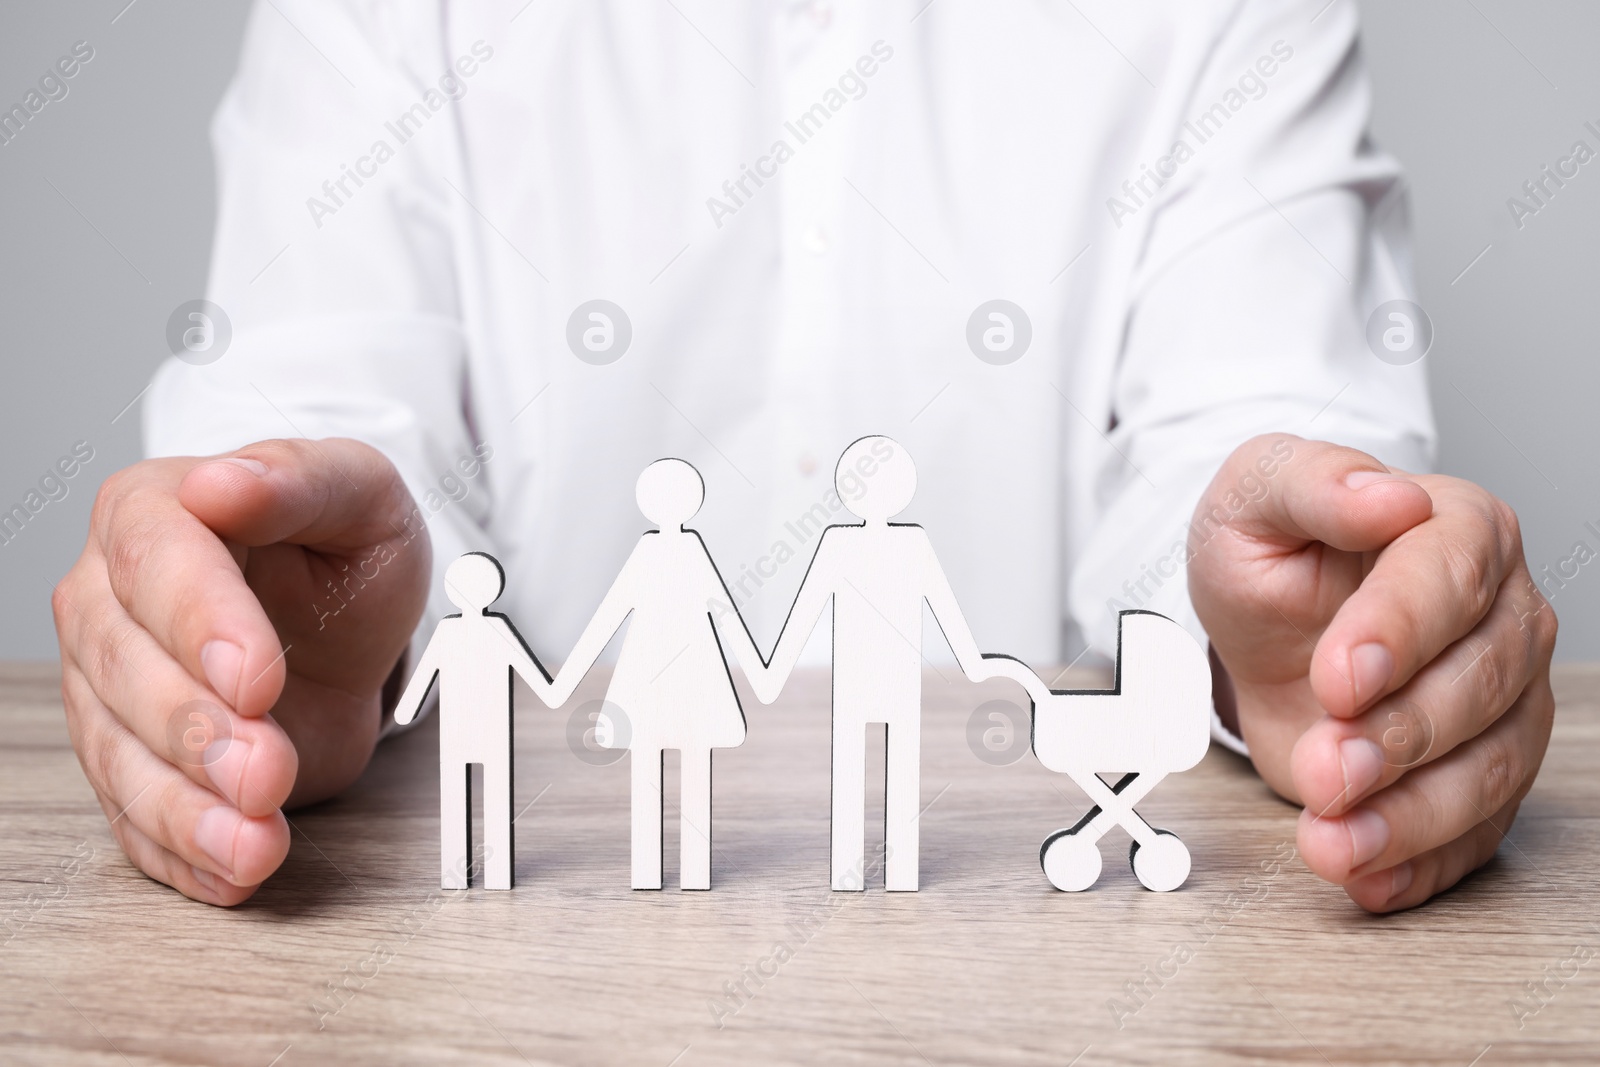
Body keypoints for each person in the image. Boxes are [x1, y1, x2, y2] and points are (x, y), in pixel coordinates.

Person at [53, 0, 1555, 911]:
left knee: (876, 797)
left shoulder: (1225, 23)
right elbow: (310, 432)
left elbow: (1245, 459)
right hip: (569, 881)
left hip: (1000, 941)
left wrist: (1294, 624)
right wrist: (270, 614)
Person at [751, 437, 995, 892]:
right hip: (872, 677)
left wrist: (772, 671)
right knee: (877, 766)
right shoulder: (872, 543)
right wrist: (972, 664)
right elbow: (810, 605)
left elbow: (939, 604)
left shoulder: (880, 543)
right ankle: (883, 872)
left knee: (865, 767)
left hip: (881, 678)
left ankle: (882, 871)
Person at [545, 459, 768, 891]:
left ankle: (681, 871)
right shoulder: (659, 553)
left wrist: (565, 681)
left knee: (669, 762)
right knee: (660, 763)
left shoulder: (678, 553)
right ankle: (658, 870)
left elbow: (718, 609)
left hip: (679, 675)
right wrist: (761, 674)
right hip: (655, 676)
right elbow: (614, 613)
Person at [393, 551, 554, 891]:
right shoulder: (485, 630)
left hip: (467, 732)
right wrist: (557, 692)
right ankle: (490, 875)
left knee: (463, 795)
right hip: (481, 731)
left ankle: (468, 872)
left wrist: (405, 710)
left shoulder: (455, 631)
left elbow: (422, 679)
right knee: (490, 795)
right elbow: (538, 679)